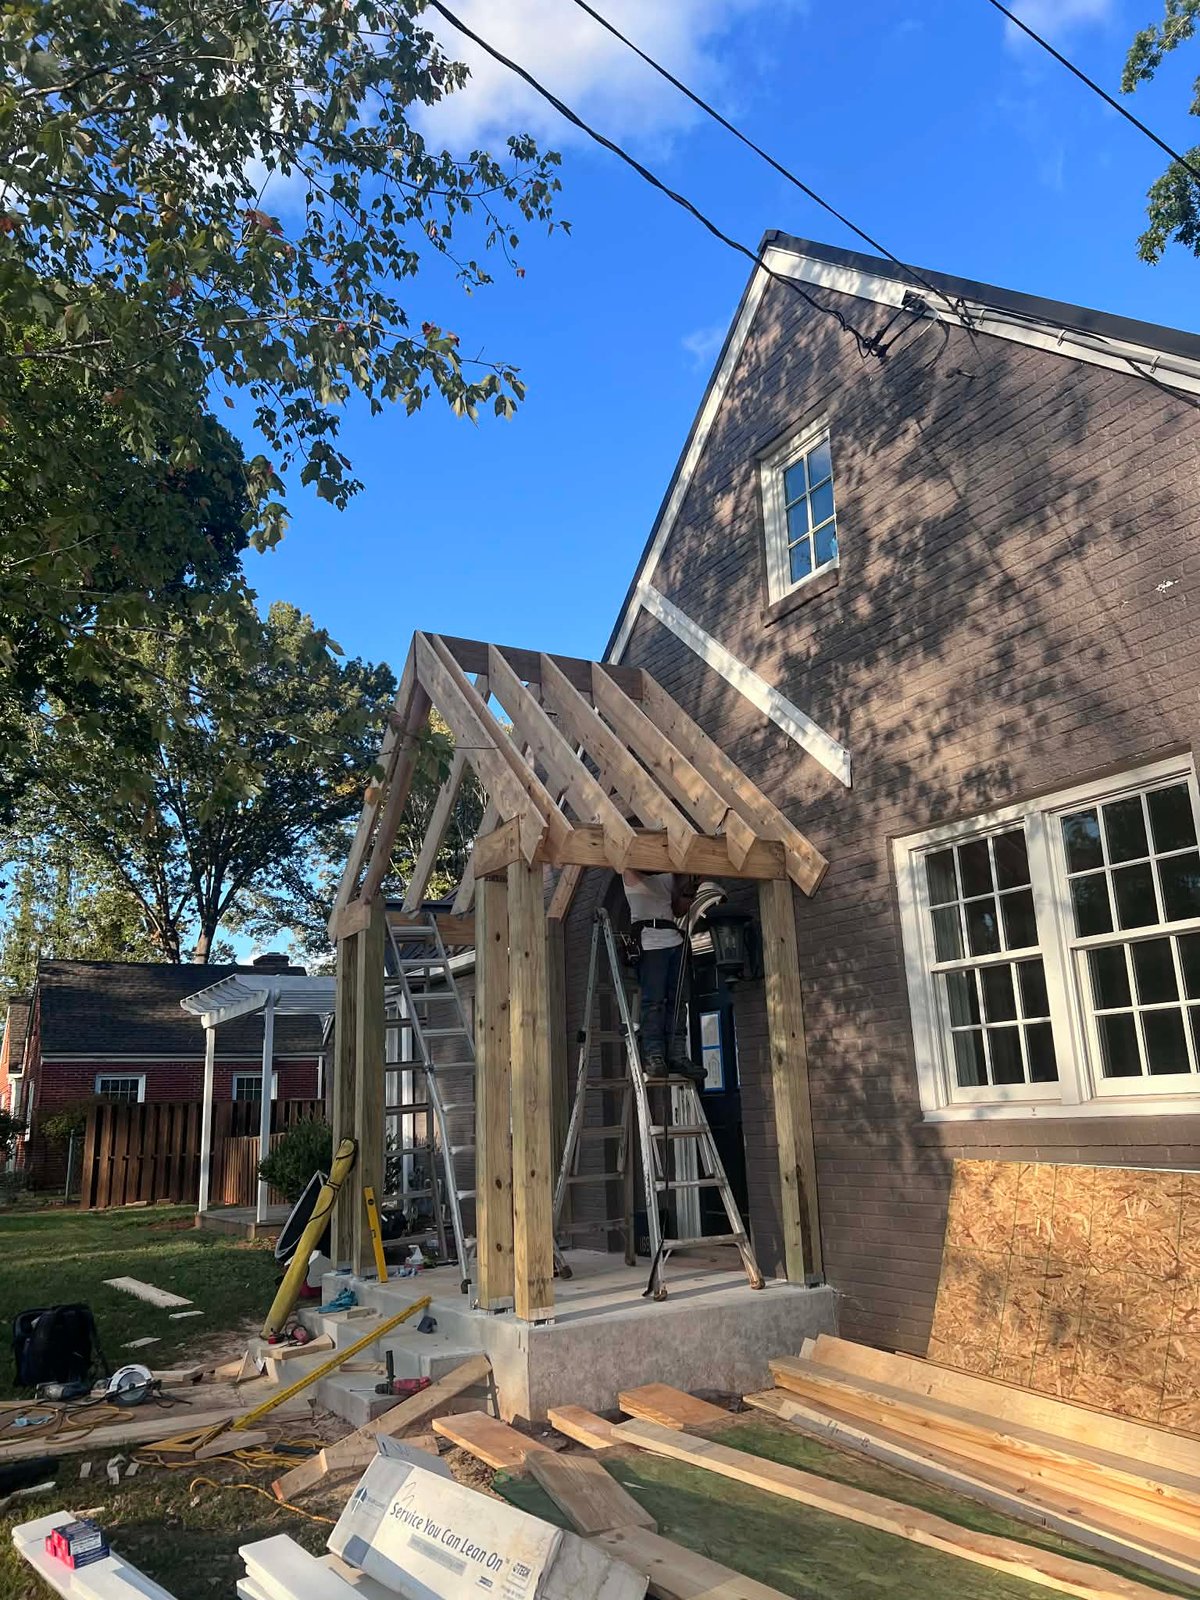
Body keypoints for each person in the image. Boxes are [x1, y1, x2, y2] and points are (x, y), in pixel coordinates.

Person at [622, 869, 703, 1083]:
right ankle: (653, 1054)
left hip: (673, 939)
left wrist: (687, 887)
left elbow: (678, 910)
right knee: (653, 1001)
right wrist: (678, 867)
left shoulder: (670, 874)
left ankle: (677, 1055)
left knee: (678, 1001)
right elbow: (644, 867)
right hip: (649, 941)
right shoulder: (630, 866)